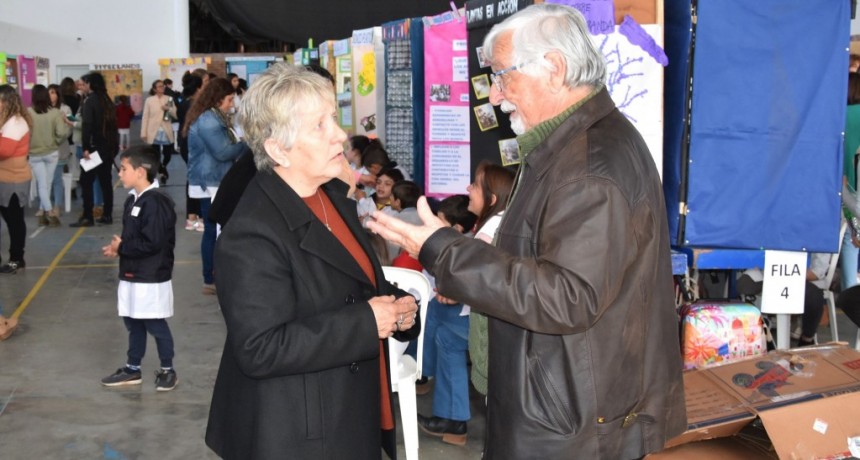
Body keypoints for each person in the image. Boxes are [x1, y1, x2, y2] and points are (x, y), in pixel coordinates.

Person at [368, 5, 686, 459]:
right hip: (566, 407)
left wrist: (443, 250)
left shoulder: (589, 166)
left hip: (569, 423)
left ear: (554, 69)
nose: (495, 96)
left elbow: (567, 295)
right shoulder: (574, 149)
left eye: (502, 76)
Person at [205, 63, 420, 460]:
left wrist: (401, 308)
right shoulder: (252, 233)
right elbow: (260, 348)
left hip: (347, 413)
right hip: (301, 435)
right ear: (277, 149)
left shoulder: (332, 197)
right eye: (319, 125)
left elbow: (354, 281)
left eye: (333, 119)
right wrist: (367, 322)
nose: (339, 135)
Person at [99, 145, 178, 391]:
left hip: (151, 277)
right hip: (133, 273)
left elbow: (152, 243)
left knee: (155, 323)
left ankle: (168, 370)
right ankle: (133, 368)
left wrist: (123, 247)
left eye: (123, 169)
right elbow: (133, 239)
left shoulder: (156, 203)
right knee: (133, 322)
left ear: (141, 172)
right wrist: (118, 249)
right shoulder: (134, 200)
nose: (119, 174)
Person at [185, 77, 246, 295]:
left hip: (214, 181)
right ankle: (211, 278)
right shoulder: (209, 121)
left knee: (214, 230)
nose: (232, 104)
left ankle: (212, 276)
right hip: (211, 182)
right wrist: (246, 144)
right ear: (218, 99)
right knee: (214, 230)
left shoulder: (214, 117)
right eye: (230, 99)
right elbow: (222, 153)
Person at [71, 72, 118, 227]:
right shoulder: (106, 100)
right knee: (105, 182)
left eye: (83, 84)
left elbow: (87, 126)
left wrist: (85, 147)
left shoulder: (90, 101)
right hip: (107, 148)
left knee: (86, 181)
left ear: (90, 85)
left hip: (94, 149)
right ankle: (107, 214)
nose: (81, 87)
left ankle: (87, 216)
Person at [28, 84, 71, 227]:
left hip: (34, 154)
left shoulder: (28, 113)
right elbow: (62, 133)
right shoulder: (55, 113)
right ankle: (49, 212)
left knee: (42, 184)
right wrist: (55, 142)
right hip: (52, 153)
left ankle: (45, 212)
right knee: (48, 183)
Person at [0, 84, 32, 274]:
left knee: (14, 220)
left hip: (13, 179)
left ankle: (16, 258)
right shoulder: (7, 121)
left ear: (7, 102)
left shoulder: (16, 123)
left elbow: (5, 150)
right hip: (5, 178)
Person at [177, 73, 204, 231]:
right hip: (192, 144)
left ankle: (192, 215)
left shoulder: (184, 102)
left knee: (193, 177)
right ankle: (194, 215)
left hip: (185, 143)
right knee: (195, 179)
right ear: (199, 87)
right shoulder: (194, 105)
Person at [141, 80, 177, 184]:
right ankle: (162, 171)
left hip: (166, 130)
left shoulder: (169, 99)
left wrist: (168, 109)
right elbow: (145, 117)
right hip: (153, 131)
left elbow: (175, 114)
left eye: (163, 86)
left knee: (168, 154)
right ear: (154, 89)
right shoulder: (149, 100)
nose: (162, 88)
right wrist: (143, 133)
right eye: (159, 86)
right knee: (155, 154)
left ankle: (163, 167)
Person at [47, 84, 74, 225]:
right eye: (49, 92)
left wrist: (56, 138)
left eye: (53, 92)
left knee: (57, 178)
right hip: (45, 149)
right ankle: (46, 206)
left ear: (58, 94)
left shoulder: (65, 109)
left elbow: (68, 130)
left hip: (60, 148)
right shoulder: (43, 109)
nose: (51, 95)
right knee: (46, 180)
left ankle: (57, 205)